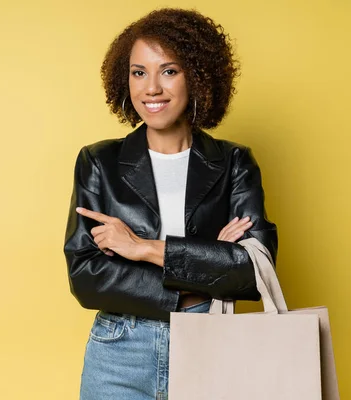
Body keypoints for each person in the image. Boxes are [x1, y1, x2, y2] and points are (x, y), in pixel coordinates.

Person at [63, 7, 278, 400]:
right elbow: (85, 275)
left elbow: (252, 272)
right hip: (119, 352)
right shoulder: (98, 162)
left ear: (197, 76)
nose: (151, 89)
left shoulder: (234, 163)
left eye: (169, 71)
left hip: (210, 343)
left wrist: (142, 248)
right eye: (139, 72)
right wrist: (207, 262)